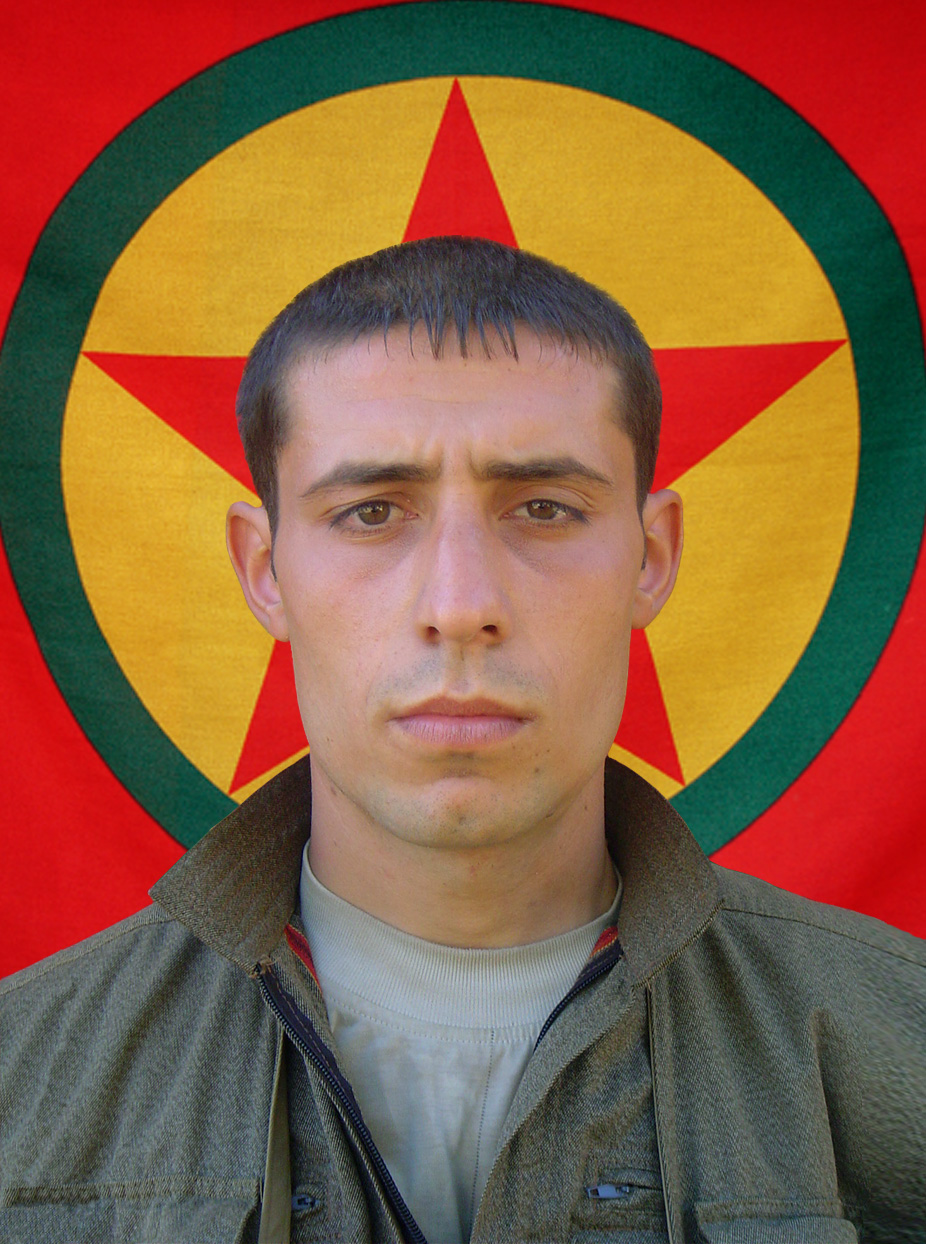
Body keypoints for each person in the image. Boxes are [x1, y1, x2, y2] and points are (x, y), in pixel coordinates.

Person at [1, 237, 924, 1244]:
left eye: (543, 508)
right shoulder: (21, 1078)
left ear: (650, 557)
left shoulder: (900, 1041)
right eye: (370, 512)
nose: (459, 604)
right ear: (265, 570)